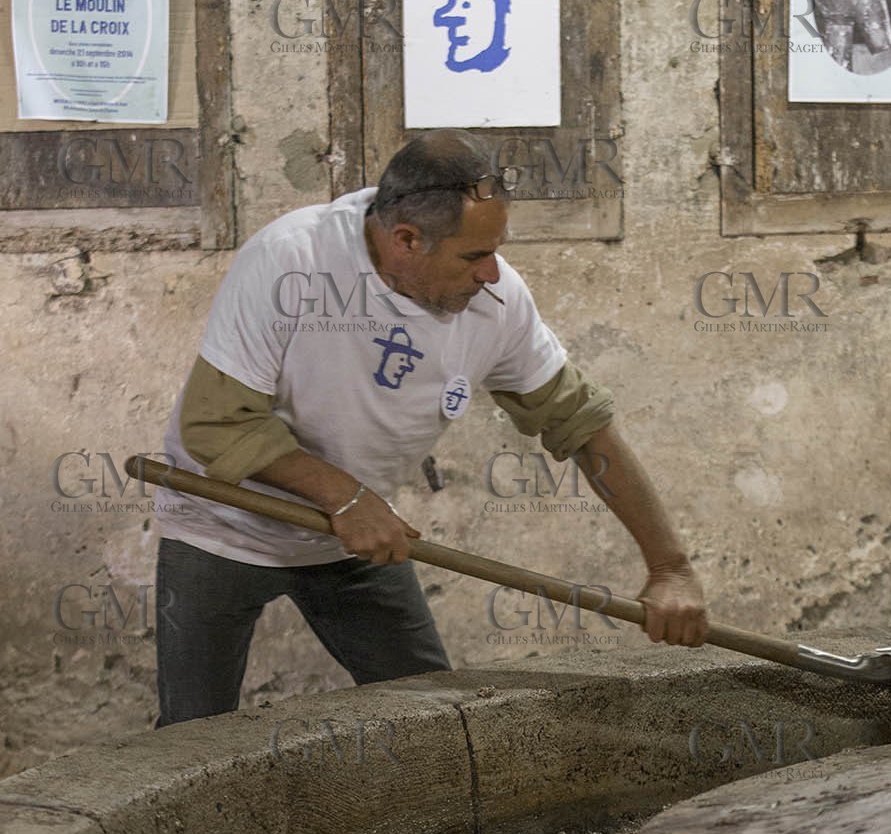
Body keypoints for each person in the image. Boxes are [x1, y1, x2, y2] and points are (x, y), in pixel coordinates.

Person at [152, 130, 708, 726]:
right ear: (406, 239)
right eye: (473, 256)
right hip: (220, 525)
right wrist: (347, 495)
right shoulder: (294, 260)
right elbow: (215, 424)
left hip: (357, 538)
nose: (492, 273)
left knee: (439, 724)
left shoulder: (498, 304)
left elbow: (582, 426)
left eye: (496, 249)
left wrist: (669, 567)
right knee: (190, 736)